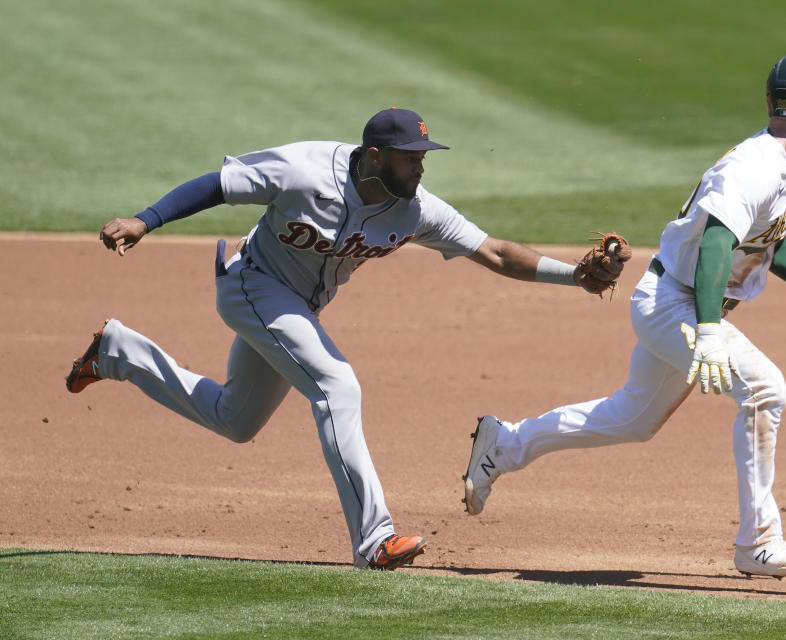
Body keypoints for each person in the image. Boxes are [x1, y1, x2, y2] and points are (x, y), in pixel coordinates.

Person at [65, 107, 616, 570]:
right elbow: (218, 185)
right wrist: (146, 219)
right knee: (337, 386)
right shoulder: (305, 170)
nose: (420, 166)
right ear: (374, 155)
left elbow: (494, 251)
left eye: (423, 156)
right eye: (409, 156)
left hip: (298, 308)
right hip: (253, 286)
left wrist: (573, 275)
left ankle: (120, 352)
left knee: (236, 419)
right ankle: (374, 540)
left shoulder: (414, 210)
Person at [461, 53, 786, 579]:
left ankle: (504, 443)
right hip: (675, 304)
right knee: (764, 389)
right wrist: (709, 329)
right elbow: (716, 244)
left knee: (632, 420)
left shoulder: (780, 163)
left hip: (679, 299)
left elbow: (766, 242)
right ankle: (758, 542)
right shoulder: (755, 167)